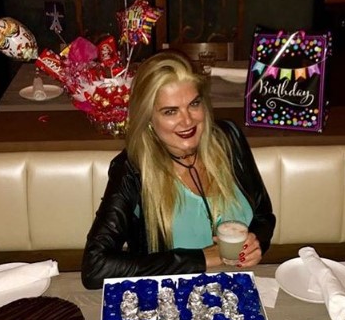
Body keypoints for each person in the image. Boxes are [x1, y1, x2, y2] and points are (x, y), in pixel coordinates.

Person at [81, 51, 276, 289]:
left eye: (194, 104)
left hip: (244, 290)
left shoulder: (229, 139)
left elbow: (264, 216)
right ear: (148, 118)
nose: (187, 121)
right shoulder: (133, 168)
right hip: (171, 300)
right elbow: (95, 267)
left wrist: (257, 241)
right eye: (170, 111)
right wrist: (202, 258)